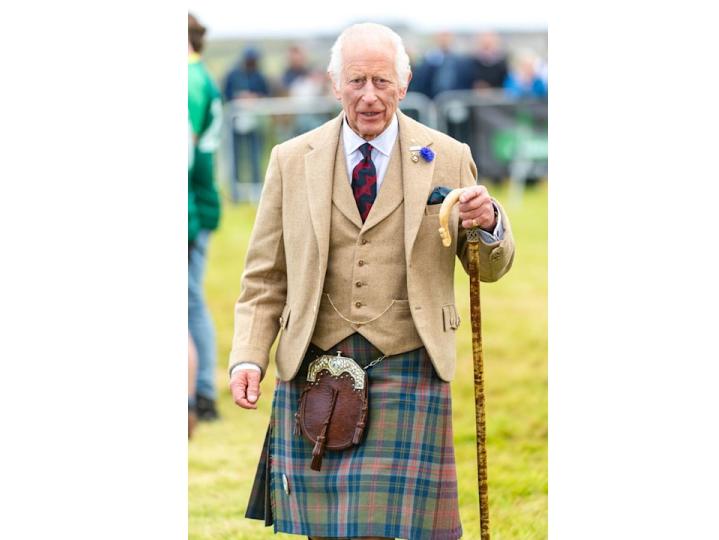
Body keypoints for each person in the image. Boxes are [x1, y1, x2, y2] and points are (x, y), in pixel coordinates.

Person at [228, 22, 516, 540]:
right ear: (334, 84)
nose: (368, 96)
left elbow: (487, 268)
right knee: (329, 529)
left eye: (382, 82)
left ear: (403, 86)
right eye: (356, 81)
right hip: (315, 367)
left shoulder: (447, 156)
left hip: (410, 359)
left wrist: (490, 222)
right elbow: (264, 276)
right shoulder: (291, 160)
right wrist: (249, 355)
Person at [188, 13, 223, 422]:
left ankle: (202, 395)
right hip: (199, 202)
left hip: (192, 207)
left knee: (190, 302)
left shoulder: (190, 80)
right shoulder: (200, 77)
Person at [224, 46, 271, 202]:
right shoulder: (233, 75)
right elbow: (226, 93)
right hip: (236, 124)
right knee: (236, 158)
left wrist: (255, 98)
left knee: (255, 157)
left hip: (255, 123)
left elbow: (266, 93)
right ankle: (236, 192)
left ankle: (257, 191)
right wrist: (239, 98)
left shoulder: (259, 76)